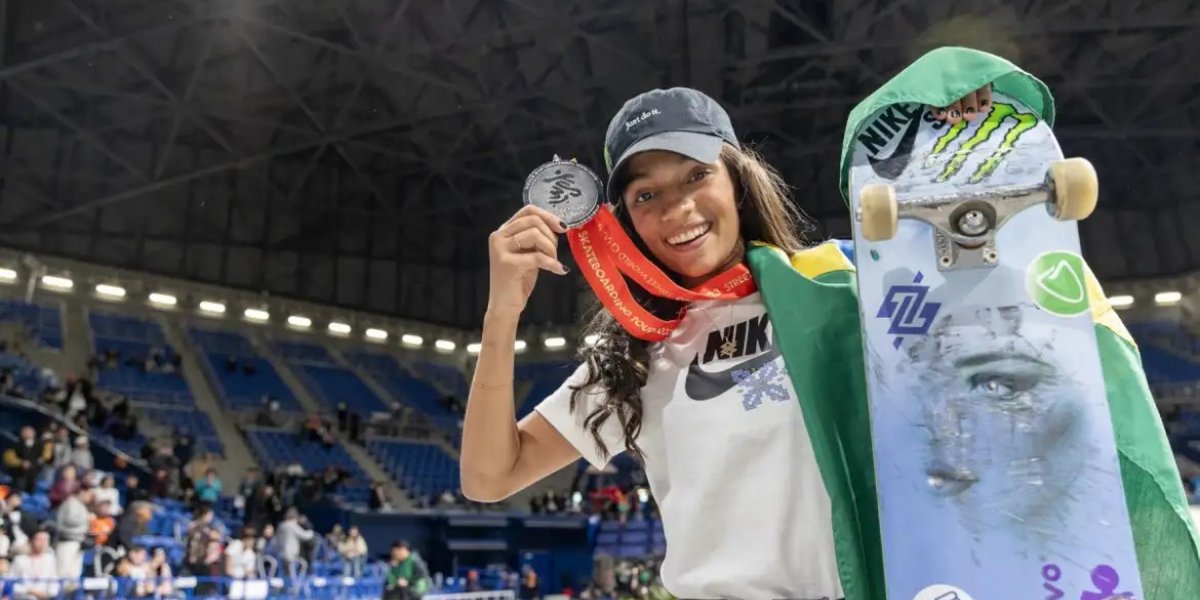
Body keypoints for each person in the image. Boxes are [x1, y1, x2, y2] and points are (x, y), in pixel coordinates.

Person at [461, 46, 1200, 599]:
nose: (678, 210)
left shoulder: (848, 281)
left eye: (695, 177)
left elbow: (1004, 316)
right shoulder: (634, 351)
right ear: (623, 219)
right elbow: (492, 476)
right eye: (647, 195)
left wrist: (956, 159)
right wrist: (502, 312)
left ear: (735, 176)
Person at [10, 530, 60, 600]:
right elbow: (10, 583)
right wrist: (29, 591)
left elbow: (54, 584)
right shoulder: (20, 560)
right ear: (31, 541)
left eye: (46, 540)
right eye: (40, 539)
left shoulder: (50, 560)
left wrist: (48, 594)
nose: (43, 543)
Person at [275, 508, 314, 577]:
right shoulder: (292, 525)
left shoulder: (281, 526)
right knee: (292, 575)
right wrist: (311, 531)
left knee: (285, 574)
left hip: (281, 553)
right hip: (291, 554)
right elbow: (305, 536)